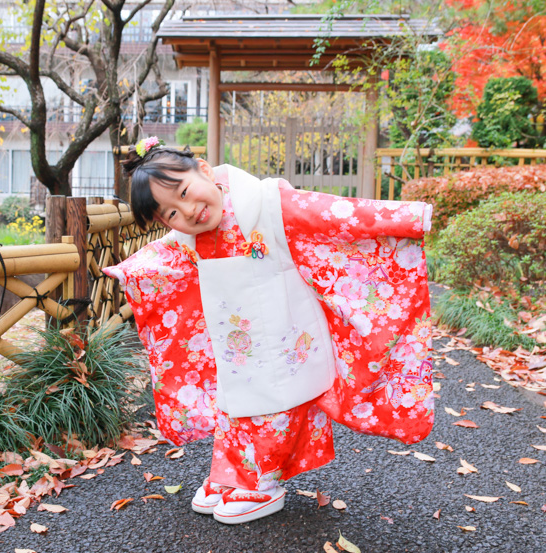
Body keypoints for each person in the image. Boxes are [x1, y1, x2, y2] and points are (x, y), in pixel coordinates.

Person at [103, 138, 435, 525]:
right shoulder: (189, 237)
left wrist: (406, 218)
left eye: (185, 193)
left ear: (205, 171)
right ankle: (229, 475)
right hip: (235, 342)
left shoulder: (266, 204)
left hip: (284, 334)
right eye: (171, 214)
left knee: (275, 408)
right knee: (234, 408)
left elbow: (332, 215)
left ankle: (264, 483)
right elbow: (165, 259)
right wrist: (129, 271)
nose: (188, 212)